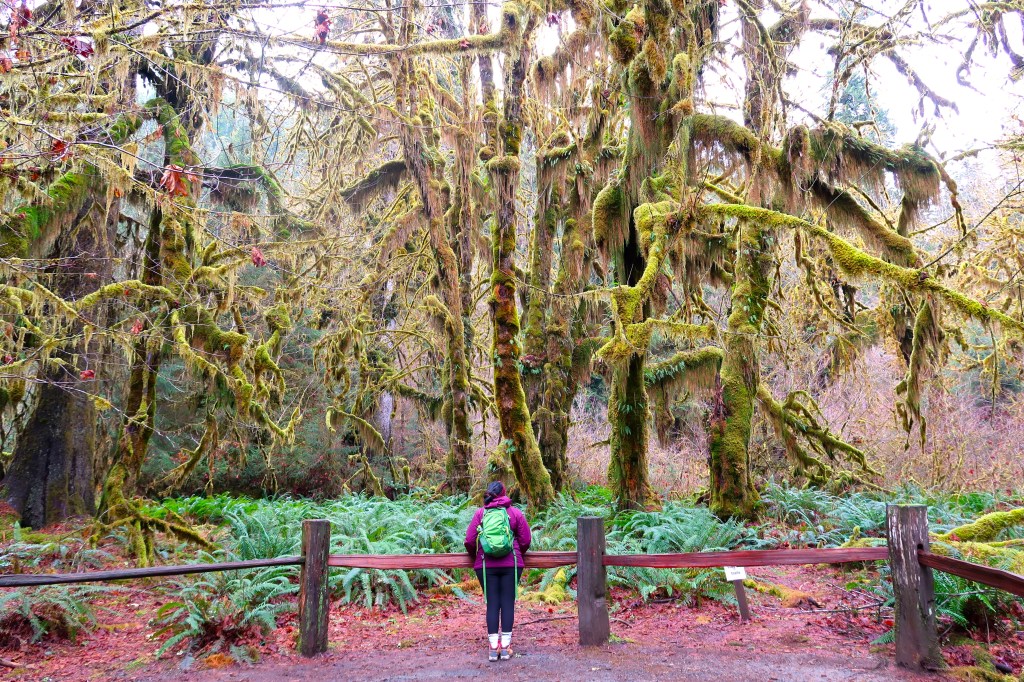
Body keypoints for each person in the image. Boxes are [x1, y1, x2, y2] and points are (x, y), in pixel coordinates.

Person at [464, 481, 531, 662]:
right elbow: (525, 540)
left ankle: (494, 648)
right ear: (504, 493)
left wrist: (477, 554)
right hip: (512, 564)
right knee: (507, 603)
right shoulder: (515, 513)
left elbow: (469, 540)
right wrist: (516, 553)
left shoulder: (480, 513)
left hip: (485, 565)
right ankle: (506, 646)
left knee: (493, 603)